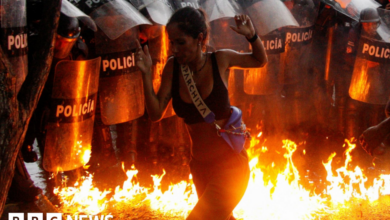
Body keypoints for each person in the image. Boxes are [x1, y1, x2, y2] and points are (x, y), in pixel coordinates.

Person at [135, 7, 267, 220]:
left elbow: (259, 61)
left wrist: (251, 36)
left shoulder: (220, 60)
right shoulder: (173, 67)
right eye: (172, 42)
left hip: (231, 166)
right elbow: (155, 113)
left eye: (181, 42)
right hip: (200, 167)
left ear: (199, 39)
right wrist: (145, 74)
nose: (174, 49)